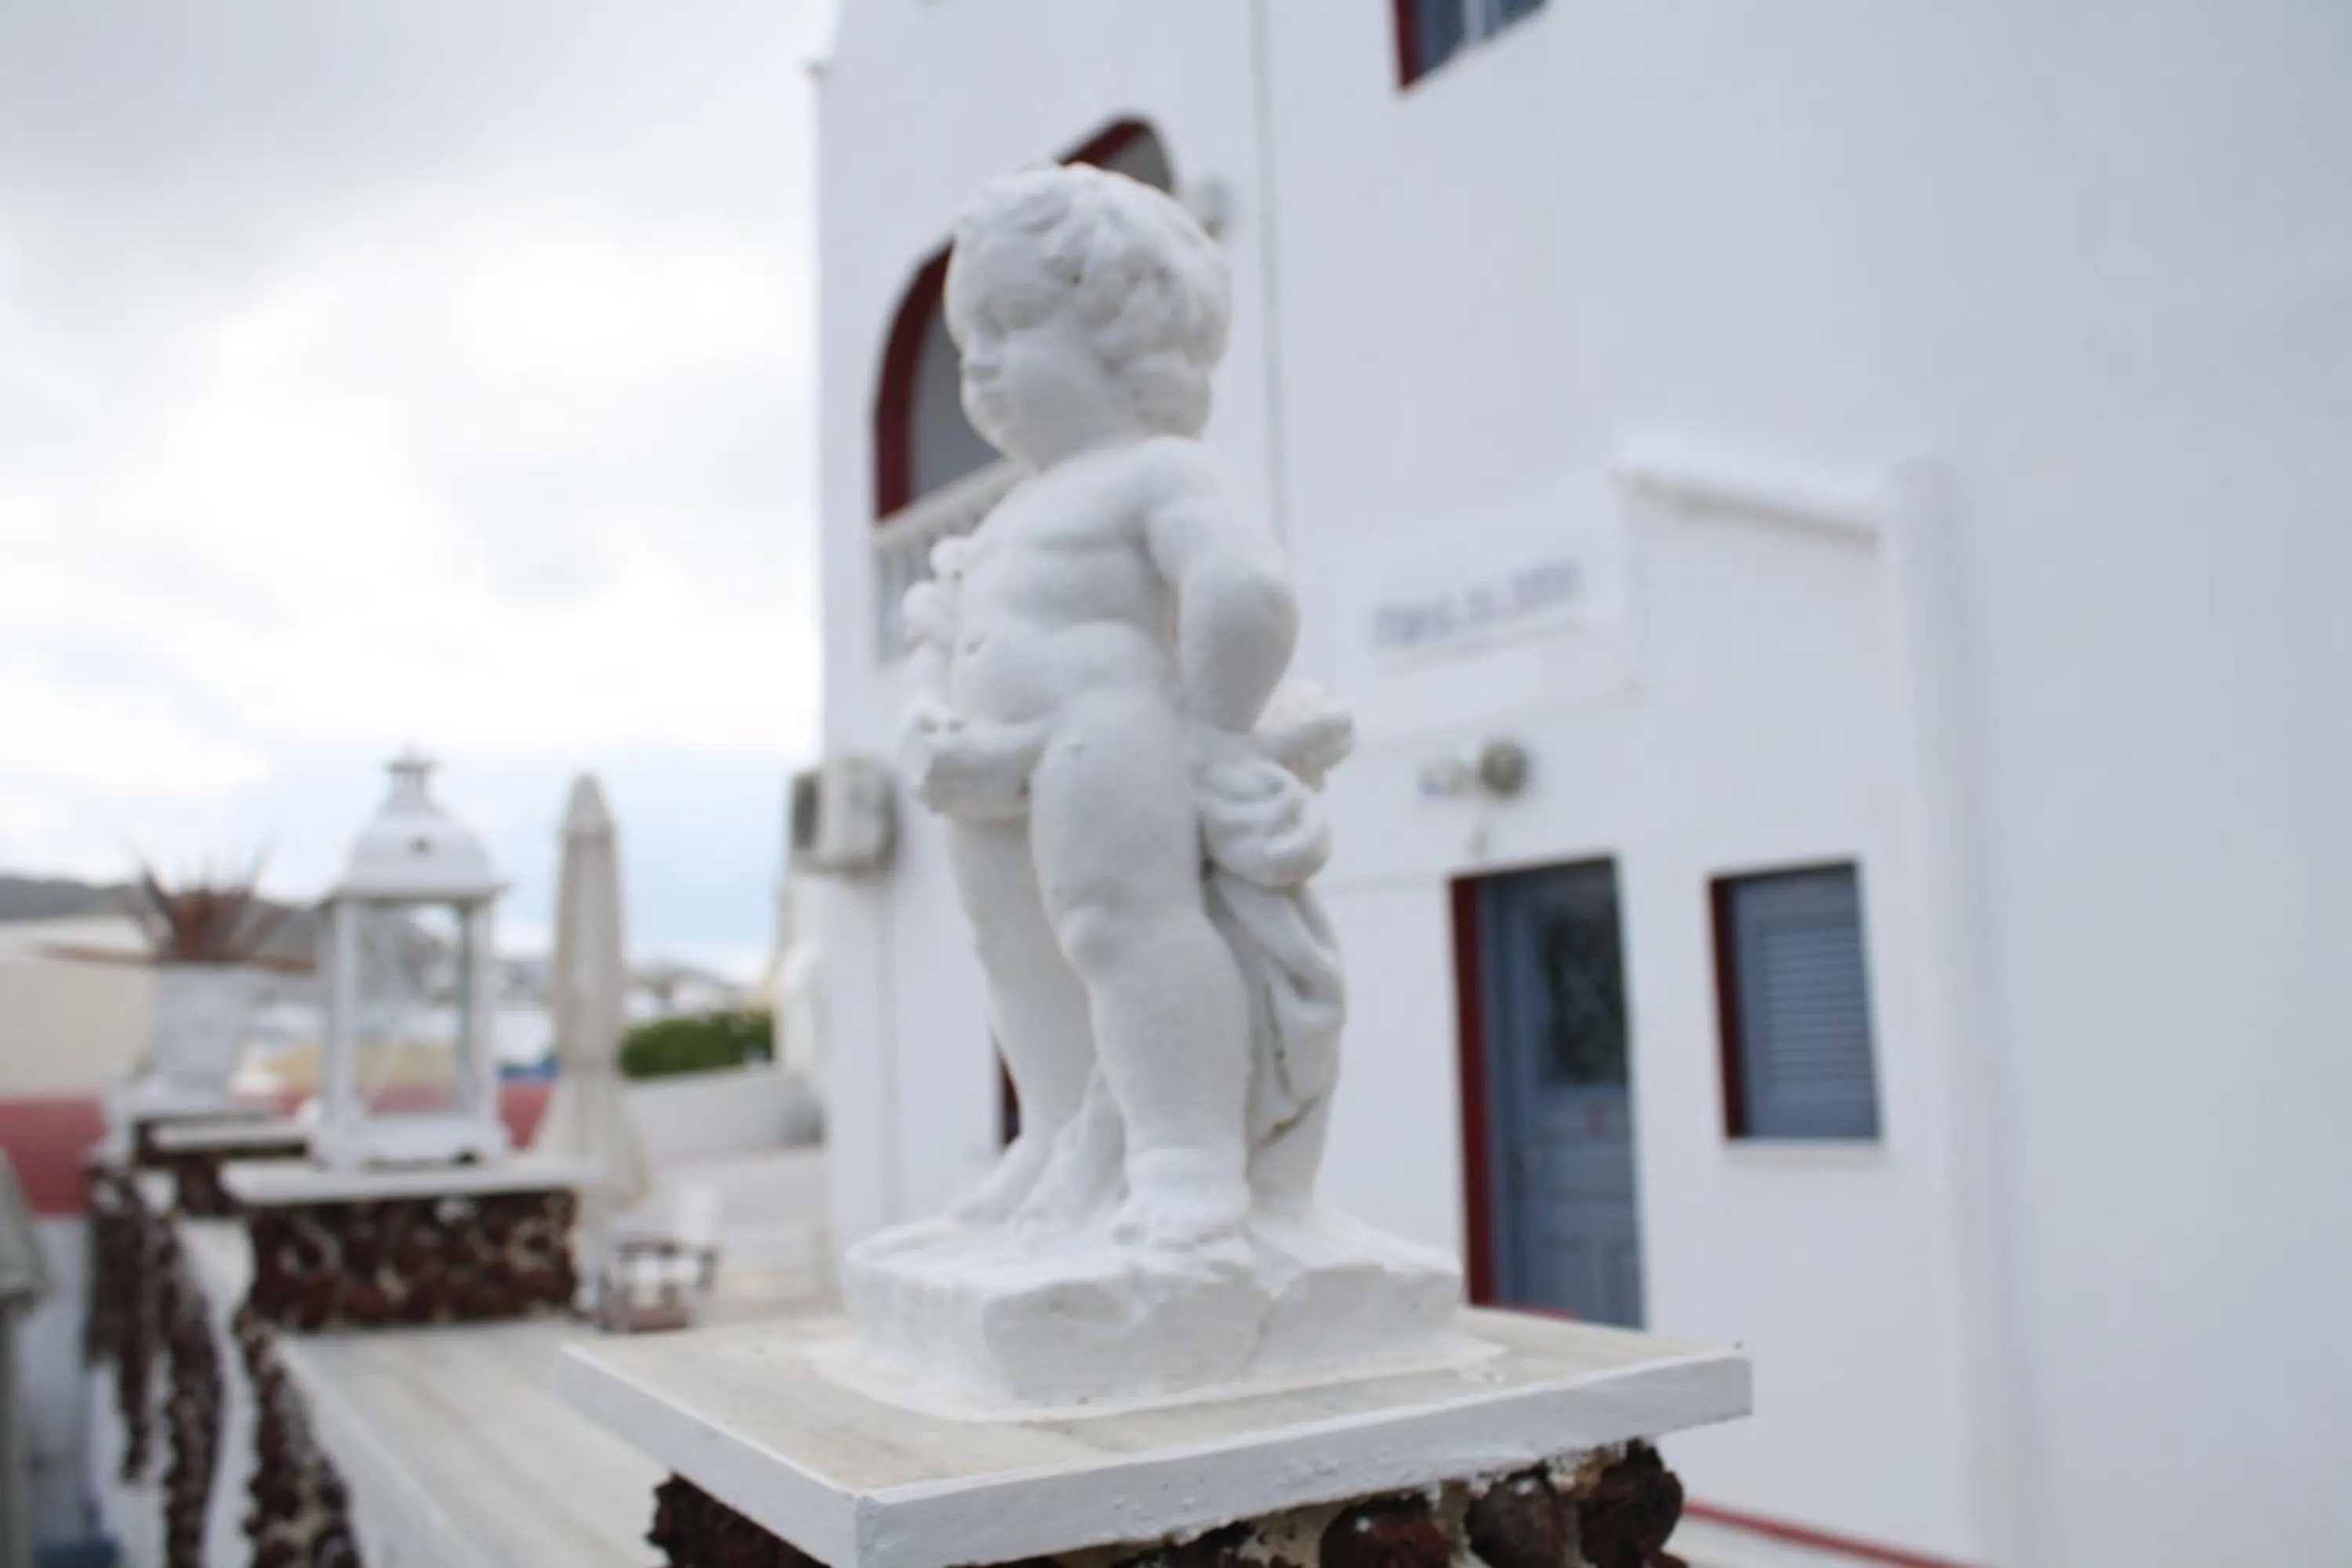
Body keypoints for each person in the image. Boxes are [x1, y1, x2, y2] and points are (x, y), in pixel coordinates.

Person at [897, 162, 1345, 1252]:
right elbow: (945, 642)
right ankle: (1055, 1132)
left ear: (1131, 327)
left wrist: (1213, 725)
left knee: (1124, 925)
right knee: (1015, 948)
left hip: (1112, 742)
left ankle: (1185, 1150)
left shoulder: (1157, 474)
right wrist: (930, 730)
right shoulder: (1004, 516)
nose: (985, 367)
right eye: (969, 343)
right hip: (996, 771)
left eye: (1012, 321)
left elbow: (1244, 589)